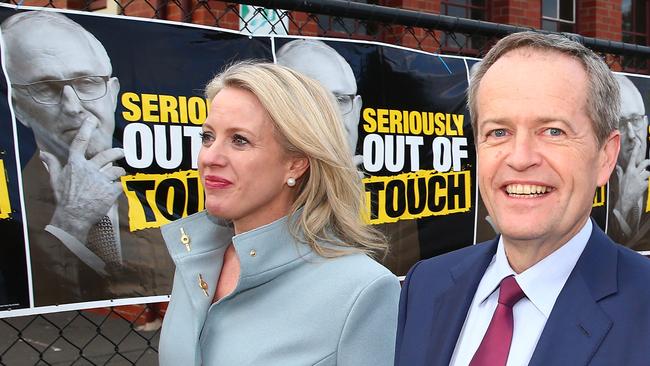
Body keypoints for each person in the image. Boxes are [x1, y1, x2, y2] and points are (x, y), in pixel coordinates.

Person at [395, 31, 650, 366]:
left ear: (605, 156)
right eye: (498, 132)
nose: (520, 157)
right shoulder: (424, 285)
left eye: (553, 131)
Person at [158, 61, 400, 365]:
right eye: (208, 136)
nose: (210, 157)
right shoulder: (196, 258)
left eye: (239, 140)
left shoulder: (363, 290)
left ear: (296, 162)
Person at [2, 11, 173, 305]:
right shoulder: (13, 203)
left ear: (113, 93)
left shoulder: (163, 191)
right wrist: (70, 223)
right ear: (18, 108)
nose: (72, 107)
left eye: (86, 82)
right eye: (45, 88)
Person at [276, 38, 420, 275]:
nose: (332, 117)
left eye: (340, 100)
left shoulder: (395, 202)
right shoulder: (258, 200)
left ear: (358, 108)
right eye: (312, 102)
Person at [609, 74, 650, 250]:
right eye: (621, 124)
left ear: (646, 121)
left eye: (635, 120)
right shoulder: (597, 179)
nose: (632, 135)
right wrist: (624, 205)